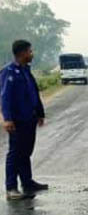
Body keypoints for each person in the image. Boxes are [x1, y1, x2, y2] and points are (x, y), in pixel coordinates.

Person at [1, 40, 48, 200]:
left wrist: (40, 113)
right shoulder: (9, 72)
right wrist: (7, 119)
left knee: (26, 152)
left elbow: (34, 92)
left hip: (30, 118)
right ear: (22, 53)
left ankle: (27, 182)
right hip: (17, 120)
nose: (32, 54)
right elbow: (5, 97)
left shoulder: (26, 71)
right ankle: (11, 187)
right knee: (15, 153)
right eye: (30, 51)